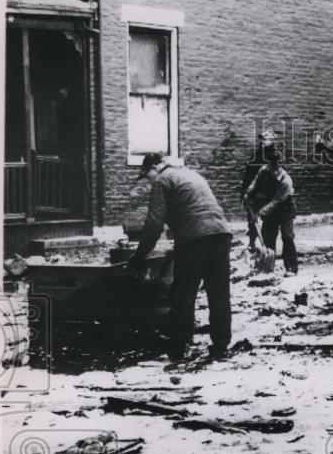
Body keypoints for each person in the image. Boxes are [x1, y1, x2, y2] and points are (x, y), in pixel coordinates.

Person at [127, 152, 233, 361]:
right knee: (218, 291)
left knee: (183, 292)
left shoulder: (162, 179)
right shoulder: (189, 174)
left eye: (147, 176)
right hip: (221, 233)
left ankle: (178, 346)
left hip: (195, 238)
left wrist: (139, 256)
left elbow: (154, 223)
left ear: (154, 168)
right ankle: (221, 345)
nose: (149, 181)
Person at [245, 148, 298, 275]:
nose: (272, 166)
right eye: (270, 163)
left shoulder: (285, 180)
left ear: (279, 163)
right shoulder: (264, 170)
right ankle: (268, 267)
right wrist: (248, 193)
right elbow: (255, 183)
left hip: (285, 211)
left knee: (287, 237)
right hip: (271, 212)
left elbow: (277, 201)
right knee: (268, 237)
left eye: (274, 163)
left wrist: (260, 212)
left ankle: (291, 268)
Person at [240, 130, 276, 250]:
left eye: (266, 139)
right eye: (262, 139)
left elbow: (276, 178)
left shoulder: (274, 157)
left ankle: (268, 246)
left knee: (268, 220)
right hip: (254, 194)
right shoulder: (256, 155)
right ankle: (252, 243)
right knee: (251, 220)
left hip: (268, 194)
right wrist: (244, 193)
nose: (263, 142)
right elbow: (248, 175)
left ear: (272, 141)